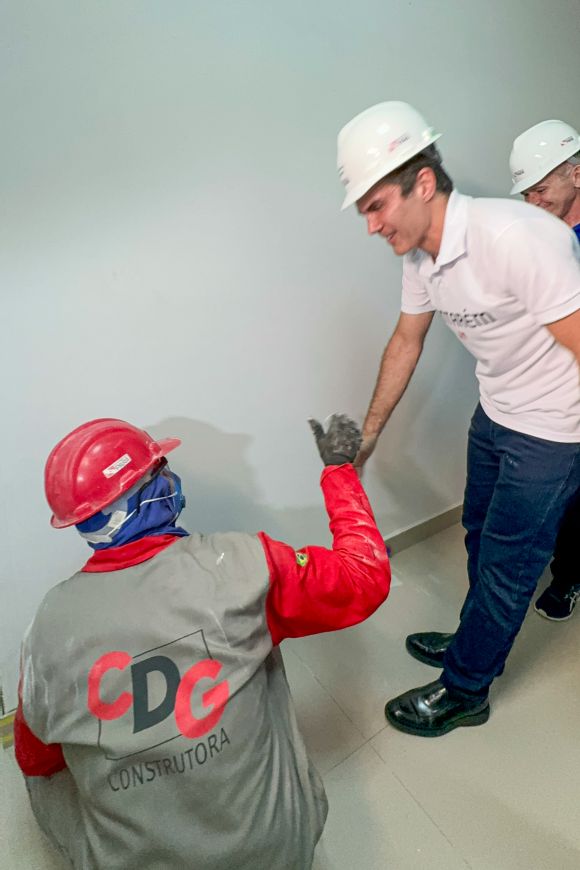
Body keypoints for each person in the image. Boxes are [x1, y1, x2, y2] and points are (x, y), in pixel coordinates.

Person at [14, 414, 390, 869]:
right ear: (143, 496)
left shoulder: (49, 625)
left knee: (45, 770)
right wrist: (339, 471)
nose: (170, 476)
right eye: (160, 468)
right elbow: (364, 576)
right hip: (272, 853)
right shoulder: (241, 565)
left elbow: (35, 760)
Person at [336, 101, 580, 737]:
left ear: (422, 183)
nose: (371, 225)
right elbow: (405, 342)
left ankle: (467, 687)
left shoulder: (517, 237)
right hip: (496, 412)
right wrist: (367, 439)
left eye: (376, 206)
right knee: (477, 533)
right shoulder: (421, 259)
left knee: (507, 565)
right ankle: (476, 633)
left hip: (554, 430)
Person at [509, 119, 580, 620]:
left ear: (576, 174)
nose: (532, 202)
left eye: (540, 189)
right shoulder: (540, 232)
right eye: (526, 193)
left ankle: (569, 575)